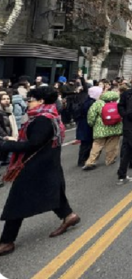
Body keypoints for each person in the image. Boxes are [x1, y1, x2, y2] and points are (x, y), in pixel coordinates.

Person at [0, 87, 79, 256]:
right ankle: (68, 216)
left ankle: (7, 241)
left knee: (16, 202)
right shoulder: (51, 116)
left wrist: (7, 145)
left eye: (30, 100)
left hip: (35, 167)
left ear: (41, 101)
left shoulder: (42, 120)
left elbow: (33, 144)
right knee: (53, 192)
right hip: (48, 165)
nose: (28, 103)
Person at [83, 89, 122, 170]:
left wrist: (91, 124)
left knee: (97, 145)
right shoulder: (118, 103)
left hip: (100, 129)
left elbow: (91, 116)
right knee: (112, 146)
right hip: (115, 128)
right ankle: (109, 160)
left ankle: (91, 162)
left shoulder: (97, 104)